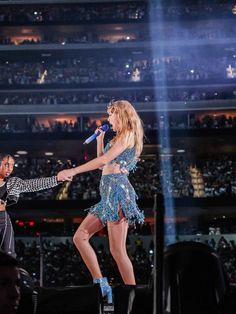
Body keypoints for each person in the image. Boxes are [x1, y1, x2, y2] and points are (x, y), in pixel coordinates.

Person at [57, 100, 145, 303]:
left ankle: (135, 296)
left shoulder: (128, 135)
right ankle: (101, 283)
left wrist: (73, 171)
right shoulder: (116, 139)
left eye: (111, 115)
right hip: (107, 194)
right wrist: (100, 139)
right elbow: (101, 163)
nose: (108, 119)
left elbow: (104, 161)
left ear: (120, 114)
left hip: (118, 192)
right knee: (79, 237)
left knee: (117, 250)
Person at [0, 153, 69, 258]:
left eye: (12, 165)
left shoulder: (12, 183)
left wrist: (56, 179)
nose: (10, 168)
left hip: (3, 220)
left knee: (9, 255)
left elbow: (32, 184)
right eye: (6, 164)